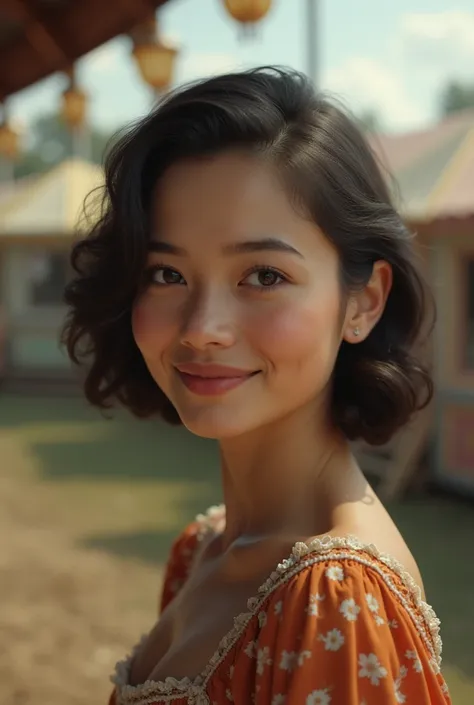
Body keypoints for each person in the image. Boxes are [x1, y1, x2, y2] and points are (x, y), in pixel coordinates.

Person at [62, 67, 451, 705]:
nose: (204, 328)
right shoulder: (203, 548)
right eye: (166, 273)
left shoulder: (336, 599)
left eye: (264, 276)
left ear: (363, 301)